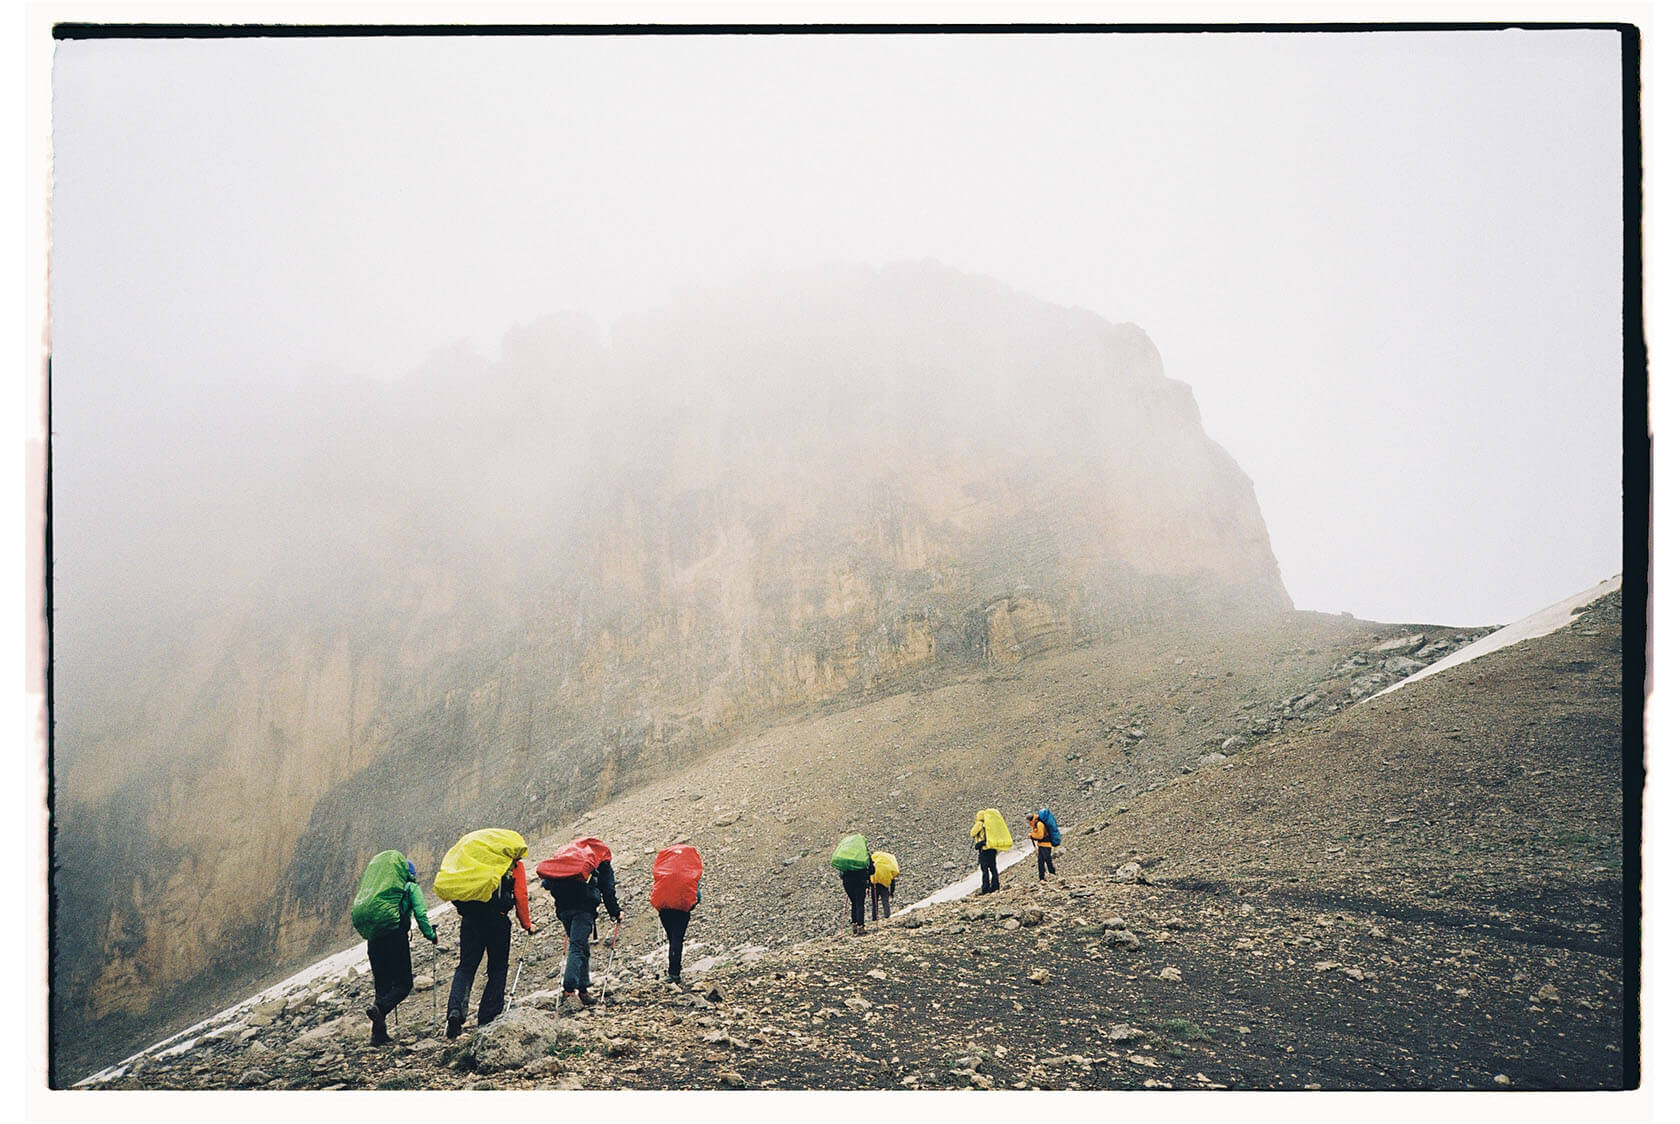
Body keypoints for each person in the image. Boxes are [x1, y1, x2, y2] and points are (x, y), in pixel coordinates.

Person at [433, 828, 535, 1040]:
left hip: (471, 920)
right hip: (497, 919)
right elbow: (521, 895)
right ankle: (488, 1018)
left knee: (466, 966)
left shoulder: (473, 864)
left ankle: (455, 1012)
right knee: (497, 968)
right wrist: (526, 924)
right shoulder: (512, 865)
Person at [350, 850, 437, 1046]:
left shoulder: (379, 891)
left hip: (374, 940)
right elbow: (421, 914)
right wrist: (431, 935)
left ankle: (378, 1035)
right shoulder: (409, 887)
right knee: (403, 984)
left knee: (382, 986)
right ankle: (379, 1008)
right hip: (395, 937)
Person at [538, 837, 621, 1007]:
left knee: (582, 947)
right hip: (584, 909)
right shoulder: (599, 862)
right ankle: (569, 989)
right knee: (577, 947)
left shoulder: (566, 859)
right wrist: (616, 912)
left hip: (563, 910)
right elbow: (608, 889)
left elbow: (546, 884)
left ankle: (583, 989)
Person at [650, 844, 703, 984]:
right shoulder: (690, 872)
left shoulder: (664, 871)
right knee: (677, 939)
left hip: (664, 910)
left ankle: (673, 969)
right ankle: (674, 973)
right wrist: (690, 905)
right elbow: (697, 895)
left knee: (671, 938)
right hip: (681, 910)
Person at [831, 833, 875, 935]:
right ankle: (861, 927)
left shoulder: (846, 857)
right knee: (860, 903)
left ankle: (854, 925)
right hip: (860, 882)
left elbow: (841, 874)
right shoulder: (865, 855)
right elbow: (872, 871)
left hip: (847, 883)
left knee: (854, 903)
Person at [970, 809, 1011, 894]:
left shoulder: (980, 824)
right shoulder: (990, 824)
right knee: (993, 868)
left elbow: (972, 833)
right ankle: (995, 886)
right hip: (992, 849)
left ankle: (985, 888)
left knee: (985, 870)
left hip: (984, 850)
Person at [869, 850, 899, 920]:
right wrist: (892, 891)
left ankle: (874, 918)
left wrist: (868, 887)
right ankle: (887, 915)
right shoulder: (888, 865)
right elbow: (892, 880)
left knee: (874, 902)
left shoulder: (874, 862)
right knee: (885, 901)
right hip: (884, 886)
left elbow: (869, 875)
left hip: (874, 885)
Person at [1028, 812, 1057, 880]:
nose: (1028, 823)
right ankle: (1051, 874)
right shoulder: (1037, 823)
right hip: (1044, 845)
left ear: (1031, 820)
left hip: (1045, 845)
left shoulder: (1039, 824)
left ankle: (1043, 878)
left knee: (1041, 861)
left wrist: (1031, 835)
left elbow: (1040, 836)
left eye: (1028, 821)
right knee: (1047, 860)